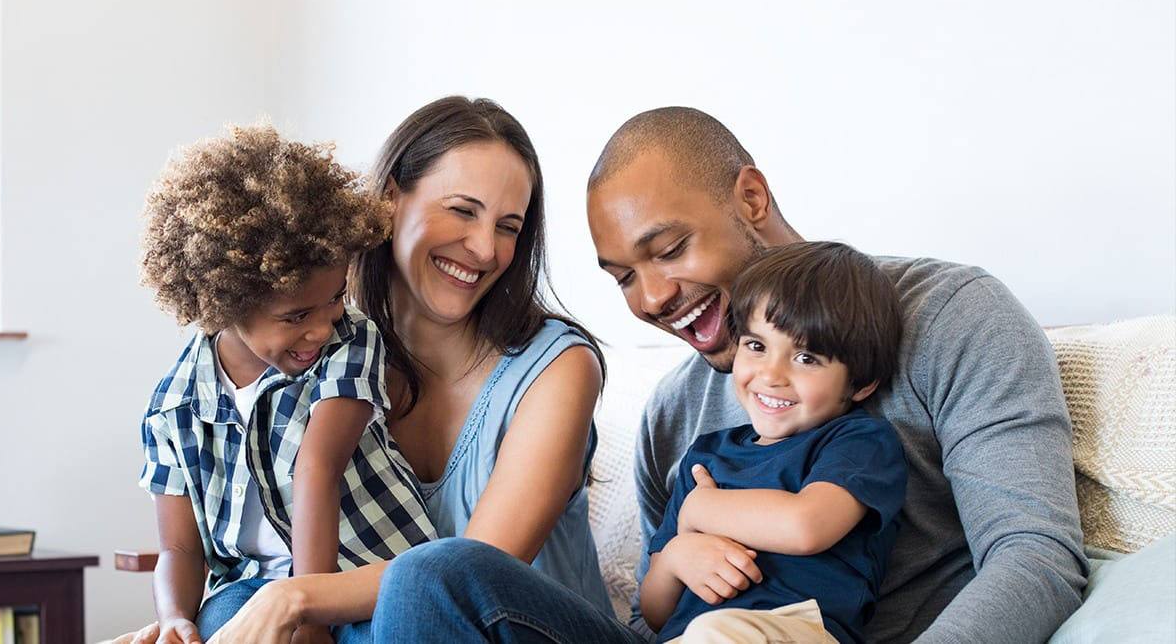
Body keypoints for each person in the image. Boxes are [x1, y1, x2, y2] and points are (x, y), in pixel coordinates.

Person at [372, 106, 1086, 644]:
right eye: (623, 277)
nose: (651, 299)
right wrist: (681, 552)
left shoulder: (952, 317)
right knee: (433, 577)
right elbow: (660, 611)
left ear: (750, 199)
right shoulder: (674, 413)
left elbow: (1035, 557)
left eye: (670, 248)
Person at [131, 96, 616, 644]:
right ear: (389, 201)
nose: (485, 248)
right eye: (462, 210)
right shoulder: (314, 352)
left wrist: (295, 597)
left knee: (425, 575)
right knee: (228, 610)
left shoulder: (559, 367)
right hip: (387, 624)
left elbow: (474, 571)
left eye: (508, 226)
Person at [131, 125, 436, 644]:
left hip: (363, 573)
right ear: (225, 303)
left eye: (335, 297)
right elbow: (179, 550)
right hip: (249, 584)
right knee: (215, 626)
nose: (321, 327)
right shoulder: (174, 406)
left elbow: (318, 467)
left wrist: (310, 619)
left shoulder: (351, 341)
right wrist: (175, 617)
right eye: (295, 315)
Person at [642, 241, 907, 643]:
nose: (771, 375)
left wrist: (700, 511)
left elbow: (806, 526)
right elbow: (656, 613)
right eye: (756, 346)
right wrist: (677, 556)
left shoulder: (857, 441)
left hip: (797, 627)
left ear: (860, 382)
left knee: (712, 633)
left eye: (806, 358)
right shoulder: (705, 458)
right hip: (692, 635)